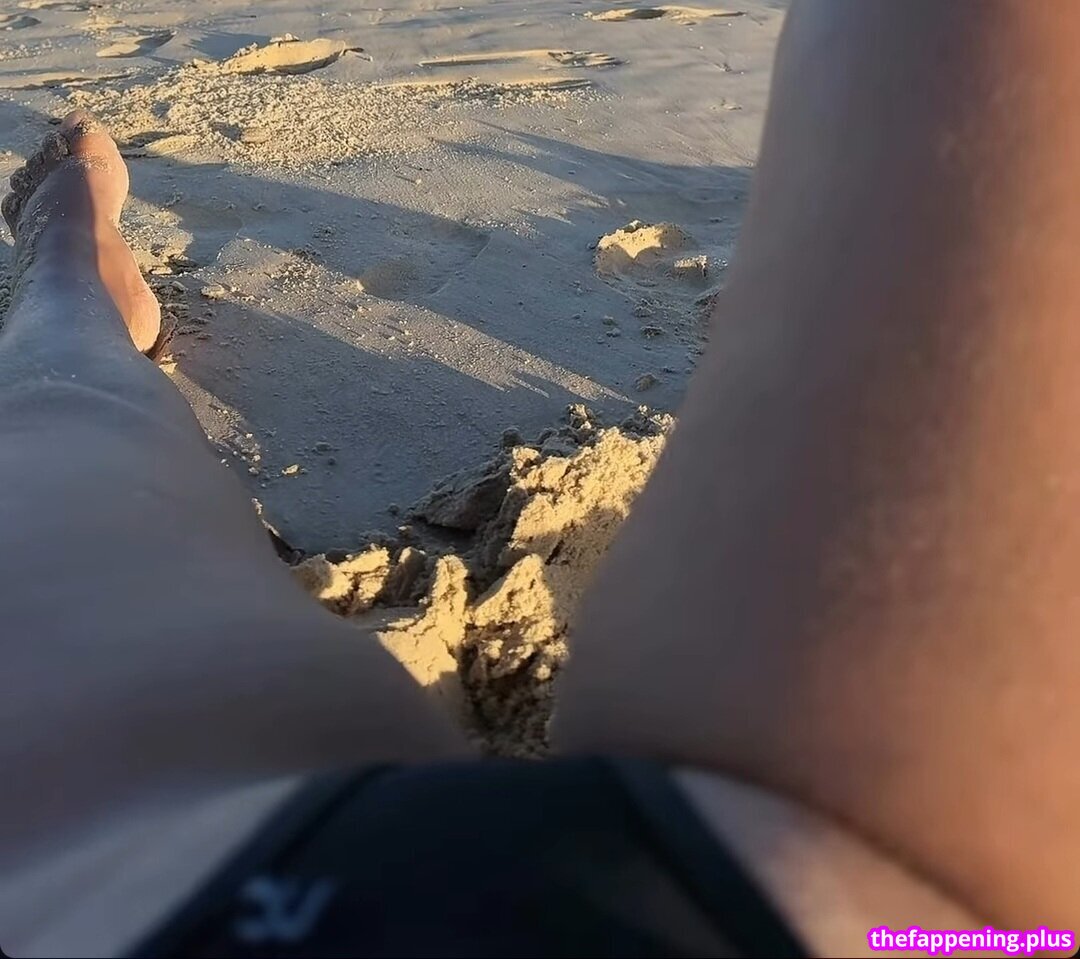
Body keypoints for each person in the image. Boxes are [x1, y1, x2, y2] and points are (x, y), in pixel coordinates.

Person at [1, 1, 1076, 955]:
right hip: (894, 917)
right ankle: (73, 273)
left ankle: (72, 261)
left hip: (156, 892)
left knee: (68, 400)